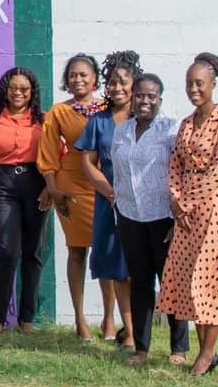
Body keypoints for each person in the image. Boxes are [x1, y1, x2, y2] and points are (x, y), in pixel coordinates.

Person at [157, 53, 218, 376]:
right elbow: (175, 163)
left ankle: (205, 354)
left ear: (213, 84)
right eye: (189, 83)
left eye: (199, 83)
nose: (194, 89)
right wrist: (176, 201)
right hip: (185, 213)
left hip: (212, 209)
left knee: (207, 278)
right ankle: (206, 352)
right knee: (189, 279)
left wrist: (186, 203)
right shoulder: (187, 124)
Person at [112, 73, 190, 365]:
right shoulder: (122, 130)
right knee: (140, 283)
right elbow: (118, 170)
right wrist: (118, 205)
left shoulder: (171, 129)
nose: (145, 101)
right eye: (140, 95)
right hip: (130, 216)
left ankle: (179, 349)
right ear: (132, 98)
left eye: (151, 96)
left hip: (163, 218)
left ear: (160, 99)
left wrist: (177, 216)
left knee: (170, 282)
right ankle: (141, 349)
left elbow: (182, 171)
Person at [0, 67, 50, 334]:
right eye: (13, 88)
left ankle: (27, 320)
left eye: (24, 89)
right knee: (7, 252)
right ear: (5, 90)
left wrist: (51, 187)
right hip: (4, 189)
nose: (18, 93)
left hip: (36, 184)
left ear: (32, 92)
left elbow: (59, 153)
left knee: (32, 252)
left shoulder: (43, 120)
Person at [38, 54, 107, 341]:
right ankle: (80, 320)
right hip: (72, 187)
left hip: (104, 186)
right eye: (72, 75)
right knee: (77, 251)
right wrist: (53, 188)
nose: (78, 79)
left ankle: (109, 319)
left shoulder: (108, 108)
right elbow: (48, 153)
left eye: (83, 75)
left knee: (107, 251)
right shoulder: (58, 112)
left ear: (95, 79)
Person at [74, 50, 140, 346]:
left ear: (134, 83)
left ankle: (139, 329)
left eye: (123, 81)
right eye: (112, 81)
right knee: (118, 269)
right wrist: (110, 192)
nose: (117, 87)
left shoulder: (144, 118)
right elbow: (88, 163)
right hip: (109, 201)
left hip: (142, 203)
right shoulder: (98, 121)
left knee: (138, 268)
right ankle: (130, 333)